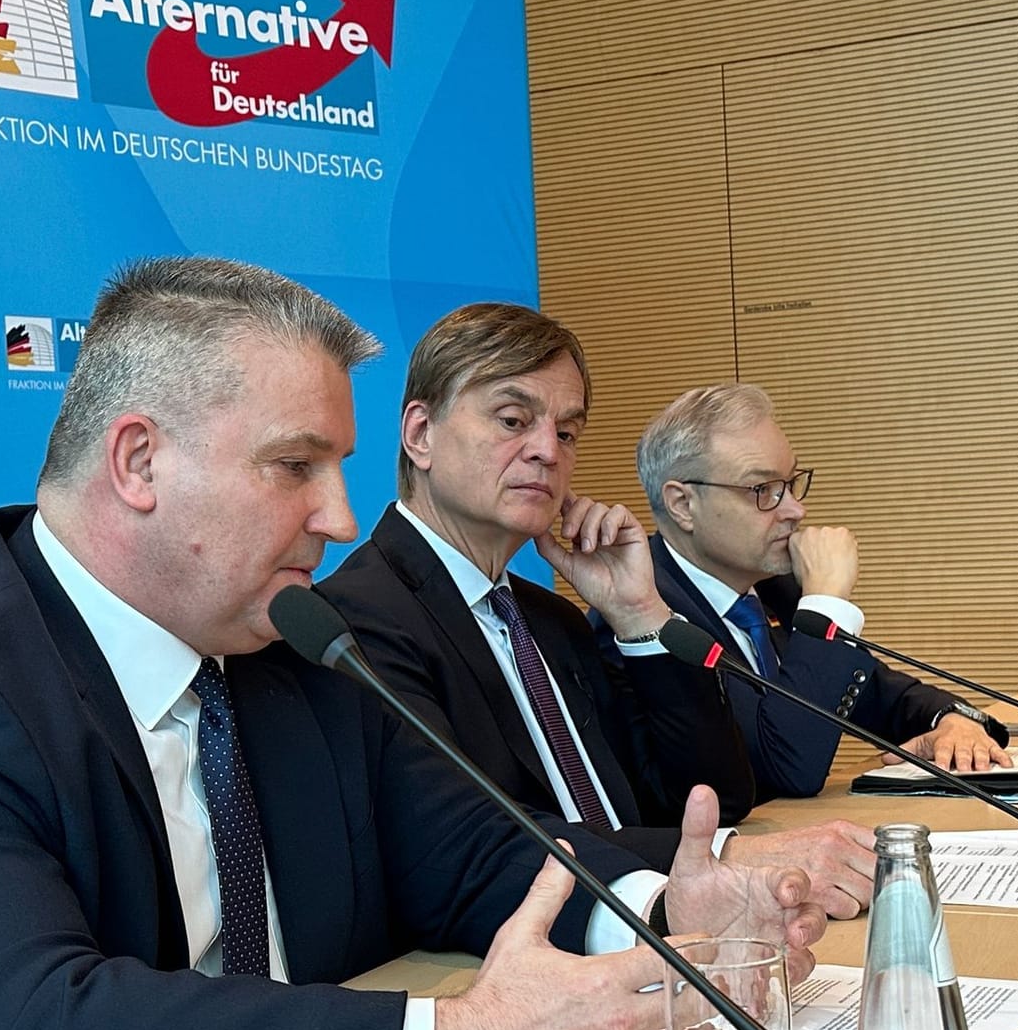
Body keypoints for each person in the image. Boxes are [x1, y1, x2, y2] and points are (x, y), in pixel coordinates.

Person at [0, 259, 826, 1030]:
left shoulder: (286, 649)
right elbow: (16, 1025)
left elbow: (473, 859)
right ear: (140, 461)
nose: (341, 516)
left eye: (340, 466)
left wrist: (666, 905)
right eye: (296, 466)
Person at [320, 304, 878, 919]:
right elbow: (471, 847)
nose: (546, 453)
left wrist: (640, 617)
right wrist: (729, 858)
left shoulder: (552, 620)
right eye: (513, 420)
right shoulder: (357, 620)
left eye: (567, 433)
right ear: (421, 434)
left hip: (668, 934)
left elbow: (716, 792)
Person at [607, 383, 1009, 796]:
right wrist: (827, 600)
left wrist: (949, 721)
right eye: (763, 490)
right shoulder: (644, 615)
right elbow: (784, 769)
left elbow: (881, 695)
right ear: (682, 504)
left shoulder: (771, 592)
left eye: (792, 482)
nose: (796, 510)